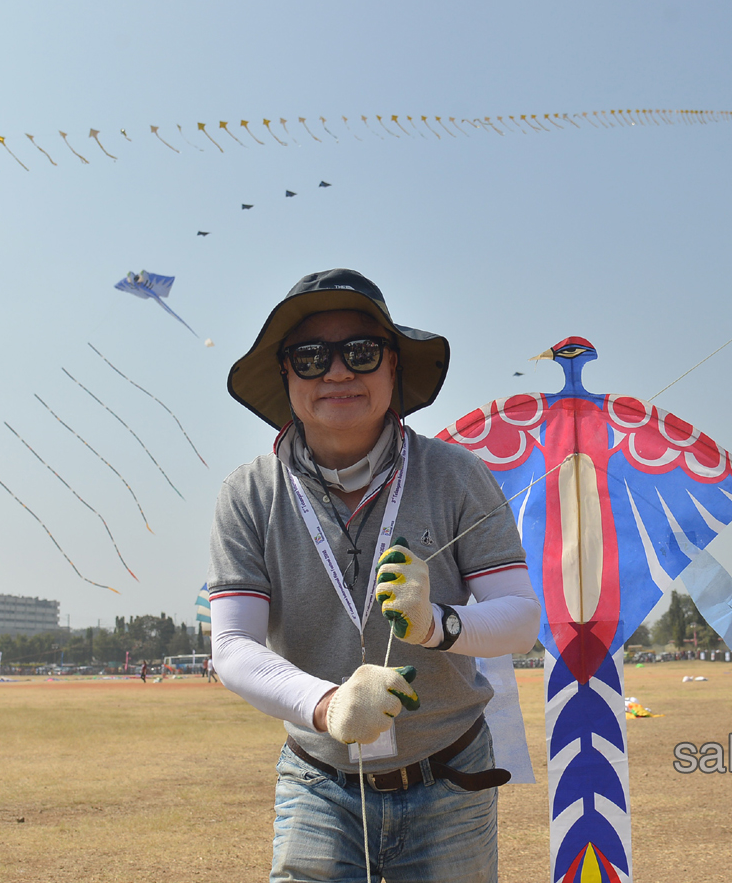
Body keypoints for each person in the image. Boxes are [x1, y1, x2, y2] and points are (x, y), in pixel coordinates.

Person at [208, 269, 540, 883]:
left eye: (360, 353)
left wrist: (437, 622)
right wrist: (329, 705)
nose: (337, 373)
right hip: (318, 777)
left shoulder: (456, 475)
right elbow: (231, 647)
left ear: (394, 368)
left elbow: (520, 619)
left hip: (449, 774)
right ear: (286, 375)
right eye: (310, 357)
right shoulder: (249, 493)